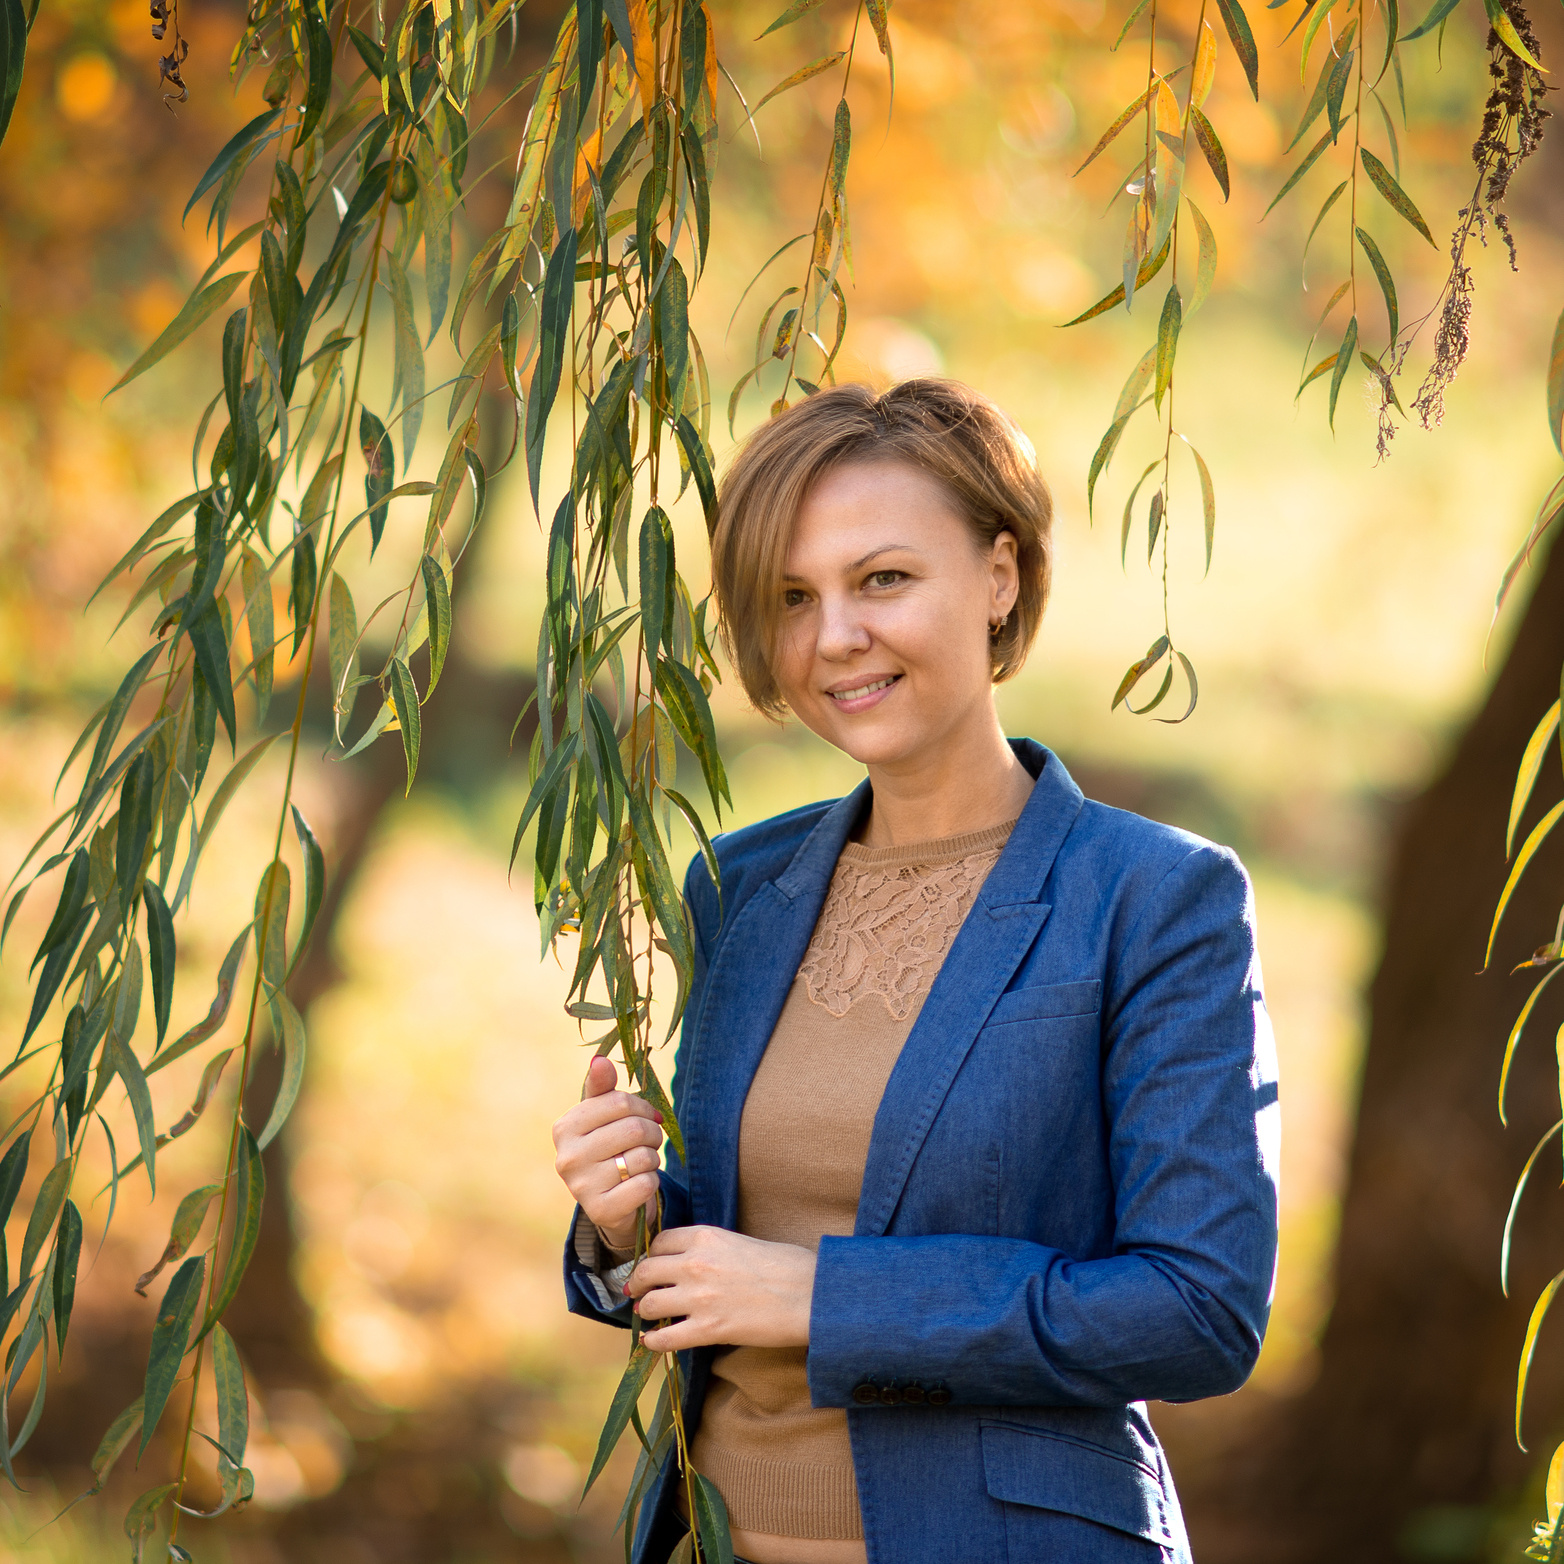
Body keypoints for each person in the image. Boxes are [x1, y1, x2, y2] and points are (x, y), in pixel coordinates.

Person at [552, 379, 1280, 1564]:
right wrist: (627, 1222)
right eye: (793, 597)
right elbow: (730, 1252)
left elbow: (1198, 1308)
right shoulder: (738, 887)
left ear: (999, 576)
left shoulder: (1153, 898)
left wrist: (825, 1299)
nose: (834, 634)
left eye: (881, 578)